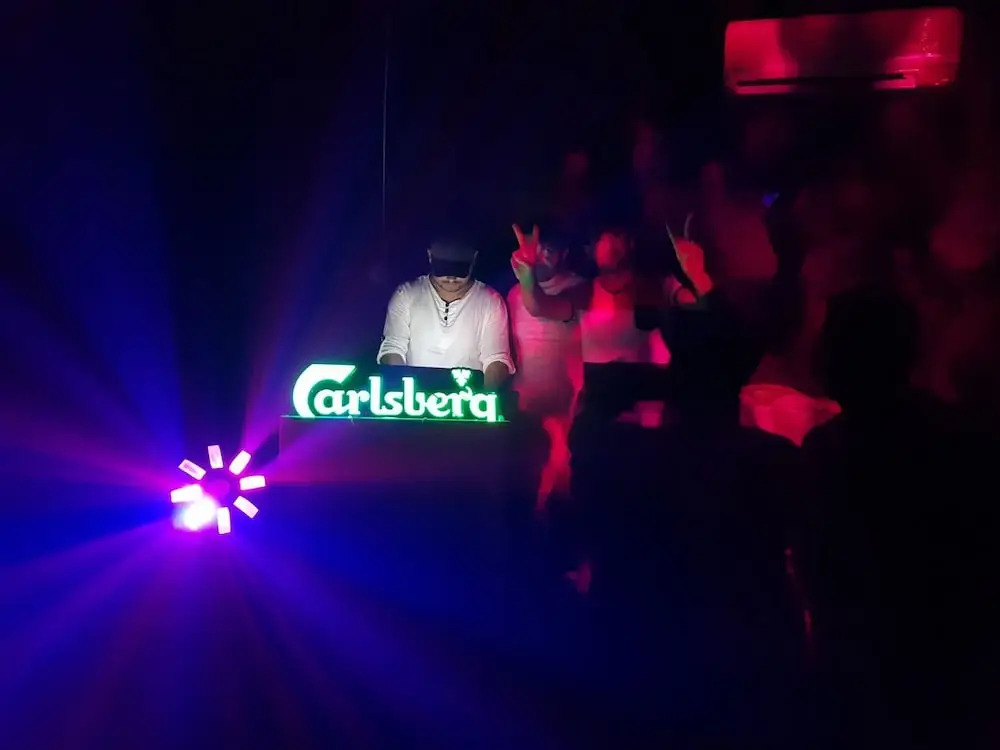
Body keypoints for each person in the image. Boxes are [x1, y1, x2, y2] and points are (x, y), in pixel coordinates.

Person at [376, 238, 514, 389]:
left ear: (474, 258)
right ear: (430, 256)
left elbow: (495, 359)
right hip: (414, 395)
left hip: (469, 396)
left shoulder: (491, 301)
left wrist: (489, 398)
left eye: (459, 270)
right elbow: (393, 348)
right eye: (443, 269)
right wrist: (402, 391)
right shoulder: (406, 294)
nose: (451, 278)